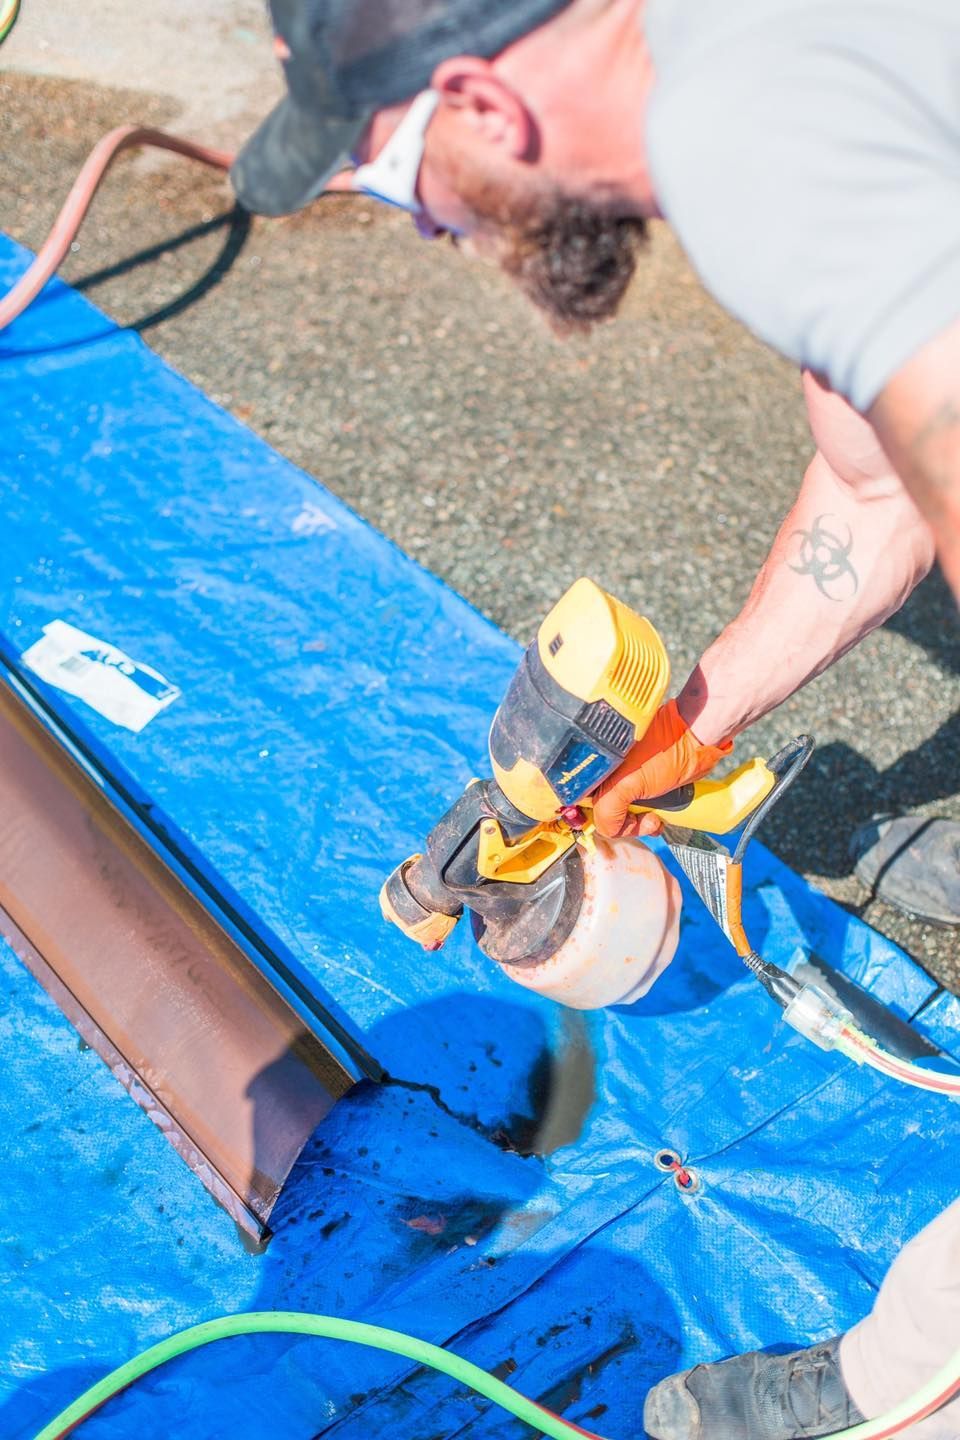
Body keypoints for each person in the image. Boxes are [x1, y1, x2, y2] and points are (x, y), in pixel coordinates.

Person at [231, 2, 960, 1435]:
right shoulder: (753, 56)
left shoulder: (764, 157)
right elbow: (875, 485)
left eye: (397, 186)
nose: (435, 234)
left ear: (479, 104)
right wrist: (671, 739)